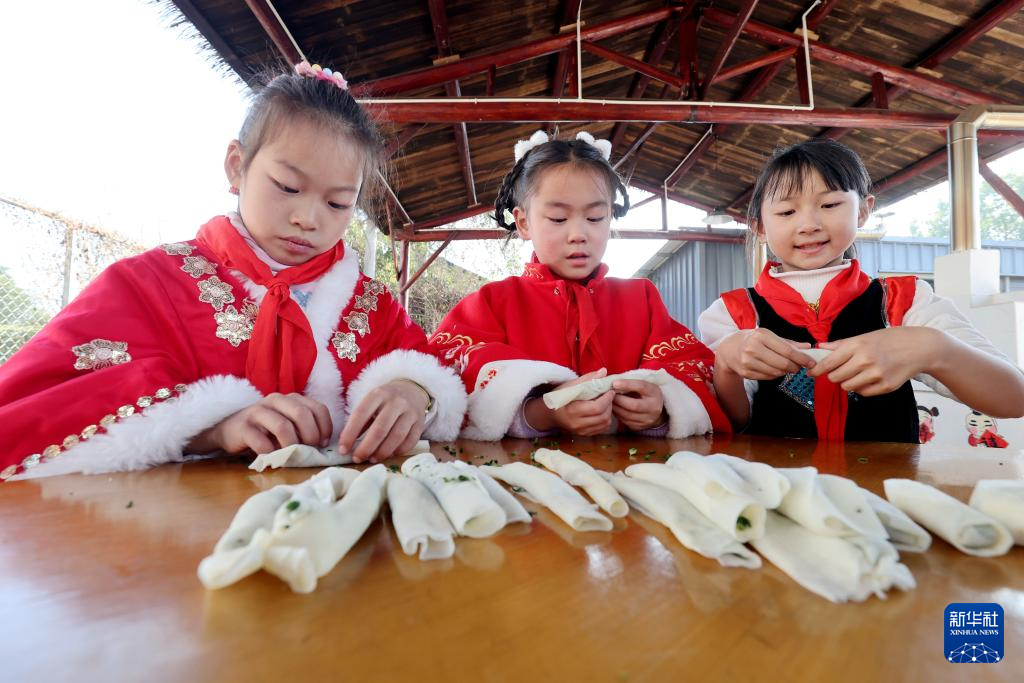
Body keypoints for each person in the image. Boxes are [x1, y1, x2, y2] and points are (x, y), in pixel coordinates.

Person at [0, 61, 466, 481]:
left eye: (337, 203)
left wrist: (414, 390)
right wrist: (210, 428)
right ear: (237, 166)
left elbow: (436, 370)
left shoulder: (374, 307)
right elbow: (35, 404)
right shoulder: (148, 284)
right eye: (288, 187)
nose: (308, 218)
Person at [699, 138, 1024, 441]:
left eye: (829, 204)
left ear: (864, 210)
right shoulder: (732, 313)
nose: (809, 225)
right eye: (786, 212)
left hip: (885, 483)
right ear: (759, 227)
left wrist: (934, 348)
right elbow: (730, 424)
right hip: (773, 483)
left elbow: (1014, 397)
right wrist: (726, 364)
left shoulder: (906, 301)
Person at [430, 130, 729, 440]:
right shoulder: (491, 304)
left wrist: (662, 410)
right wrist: (543, 413)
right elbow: (442, 386)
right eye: (558, 219)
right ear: (524, 223)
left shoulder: (642, 300)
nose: (578, 234)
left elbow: (696, 372)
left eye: (596, 217)